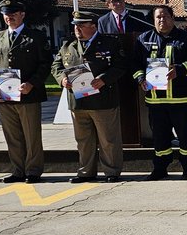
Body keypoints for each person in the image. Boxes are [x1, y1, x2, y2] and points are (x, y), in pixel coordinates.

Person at [52, 10, 129, 183]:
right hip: (78, 102)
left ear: (93, 26)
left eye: (81, 25)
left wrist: (104, 79)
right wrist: (62, 79)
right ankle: (86, 172)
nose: (77, 29)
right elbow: (56, 66)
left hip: (103, 100)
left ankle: (111, 171)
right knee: (83, 140)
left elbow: (121, 65)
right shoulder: (68, 45)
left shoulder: (110, 43)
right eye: (75, 25)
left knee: (108, 139)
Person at [133, 5, 187, 180]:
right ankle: (160, 168)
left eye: (165, 16)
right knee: (159, 138)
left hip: (181, 100)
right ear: (153, 20)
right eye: (158, 17)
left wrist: (180, 70)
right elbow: (135, 64)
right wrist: (141, 78)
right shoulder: (143, 39)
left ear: (172, 18)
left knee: (186, 136)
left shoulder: (185, 38)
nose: (161, 20)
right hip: (156, 101)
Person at [0, 0, 50, 183]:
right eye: (6, 14)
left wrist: (32, 83)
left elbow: (45, 64)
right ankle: (17, 170)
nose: (9, 18)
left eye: (13, 14)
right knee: (12, 136)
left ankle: (33, 170)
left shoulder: (36, 37)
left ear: (22, 14)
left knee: (31, 136)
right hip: (5, 96)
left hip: (28, 94)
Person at [97, 0, 147, 144]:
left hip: (136, 65)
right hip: (115, 69)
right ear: (108, 5)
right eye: (114, 1)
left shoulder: (138, 18)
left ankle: (146, 133)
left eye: (120, 0)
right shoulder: (102, 21)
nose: (118, 3)